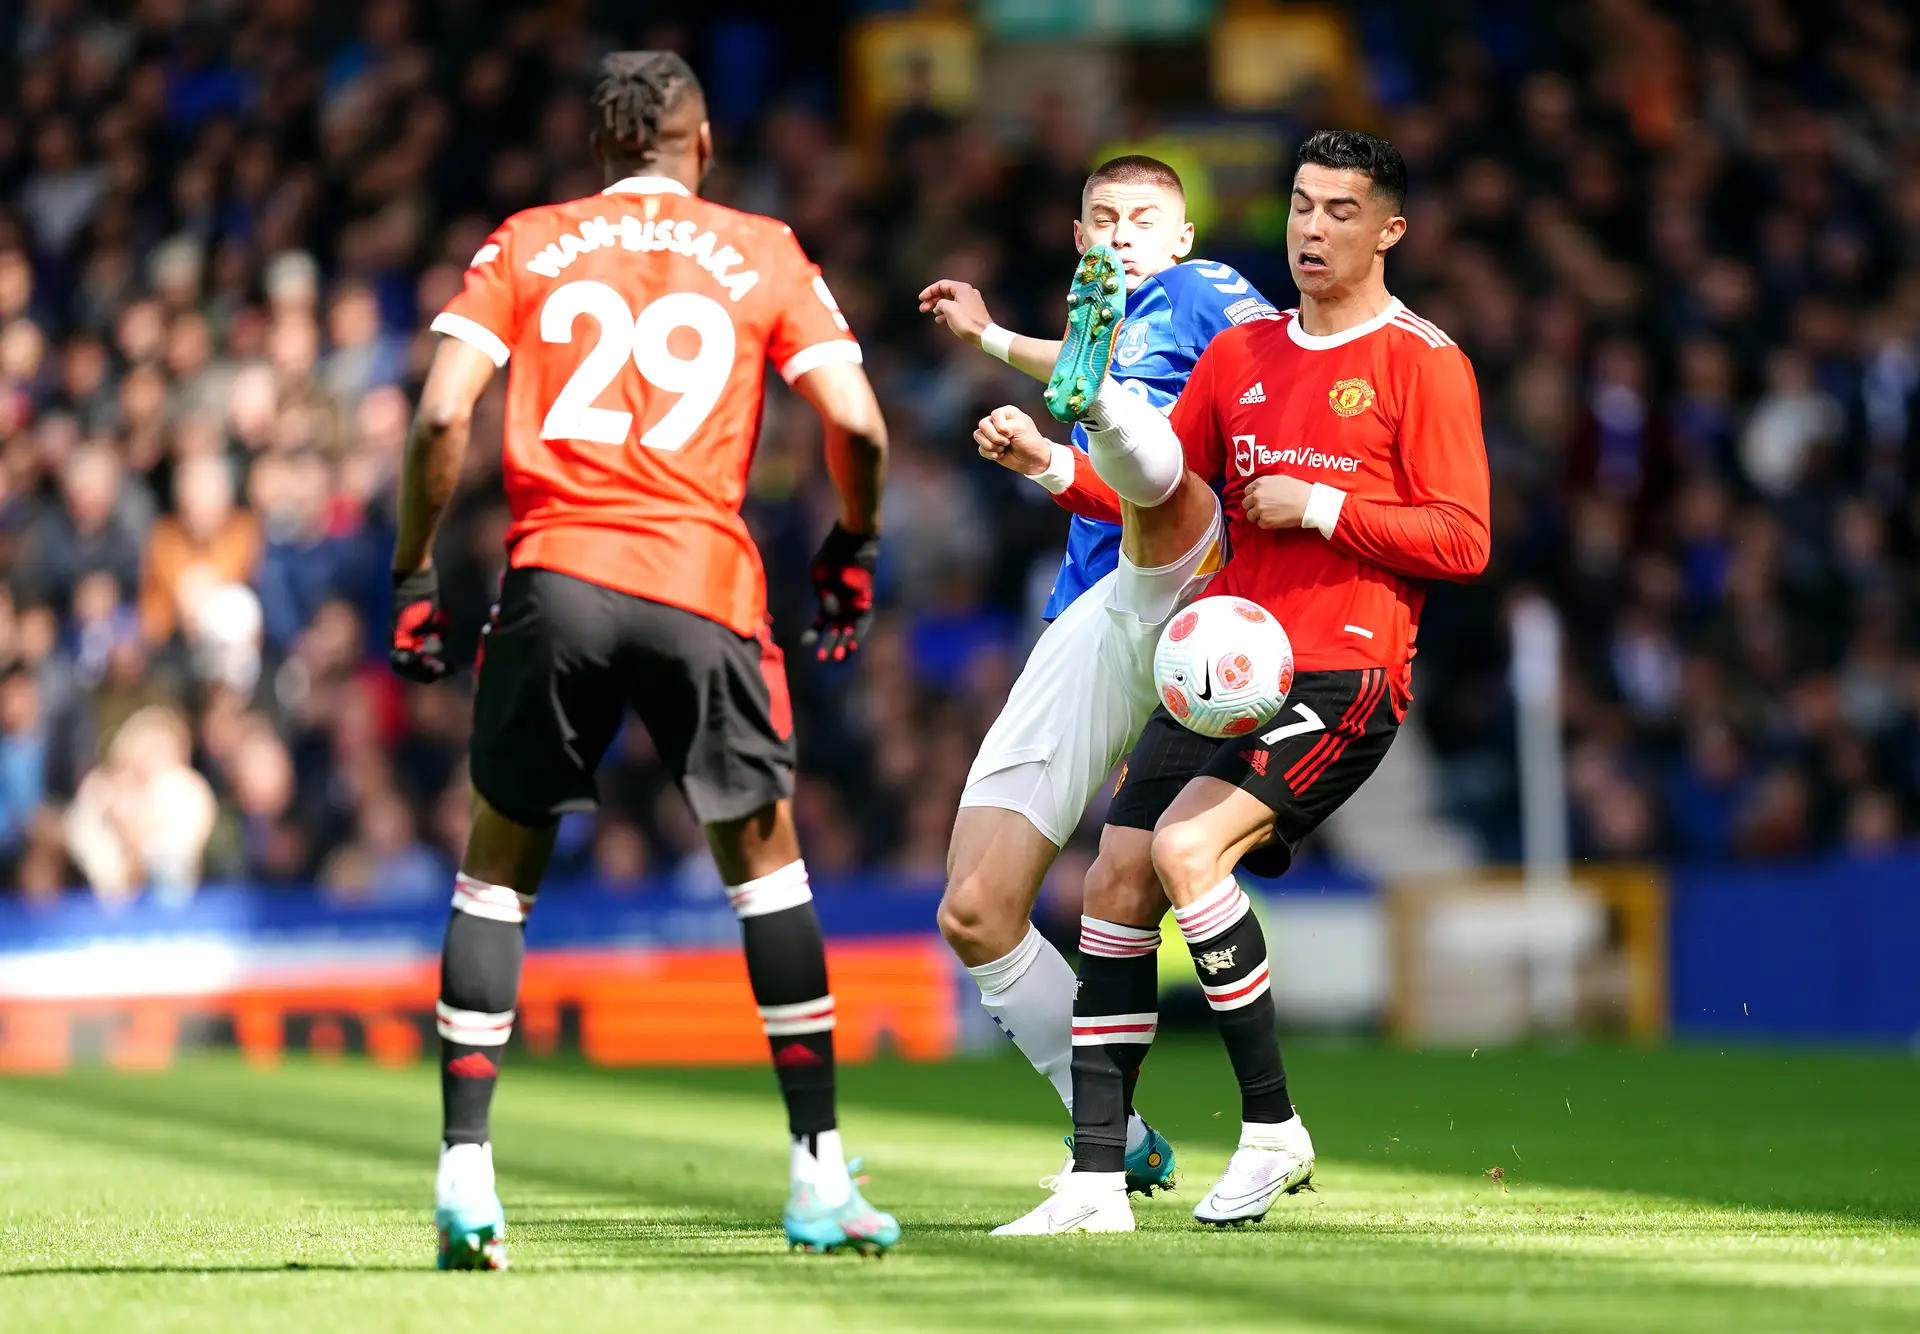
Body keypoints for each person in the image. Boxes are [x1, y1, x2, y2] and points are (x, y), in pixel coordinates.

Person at [387, 51, 896, 1268]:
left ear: (600, 145)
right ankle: (818, 1174)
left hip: (554, 580)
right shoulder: (765, 248)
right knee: (766, 872)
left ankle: (465, 1170)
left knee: (497, 866)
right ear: (700, 142)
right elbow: (861, 423)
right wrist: (851, 545)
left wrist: (414, 569)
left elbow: (441, 413)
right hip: (700, 586)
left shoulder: (525, 242)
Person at [993, 130, 1491, 1234]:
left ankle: (1271, 1126)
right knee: (1111, 881)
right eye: (1303, 207)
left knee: (1181, 850)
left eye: (1342, 212)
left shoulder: (1423, 360)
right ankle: (1090, 1179)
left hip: (1345, 660)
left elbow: (1464, 540)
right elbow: (1164, 490)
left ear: (1390, 231)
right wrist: (1049, 464)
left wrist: (1320, 509)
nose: (1314, 229)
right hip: (1223, 659)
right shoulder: (1245, 352)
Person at [918, 157, 1276, 1193]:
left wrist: (1046, 455)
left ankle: (1268, 1123)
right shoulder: (1103, 332)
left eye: (1144, 219)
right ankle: (1115, 1128)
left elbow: (1271, 382)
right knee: (976, 908)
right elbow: (1089, 403)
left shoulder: (1205, 293)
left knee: (1151, 460)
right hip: (1093, 603)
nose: (1122, 232)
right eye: (1104, 219)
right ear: (1081, 241)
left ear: (1183, 237)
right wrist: (989, 339)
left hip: (1194, 587)